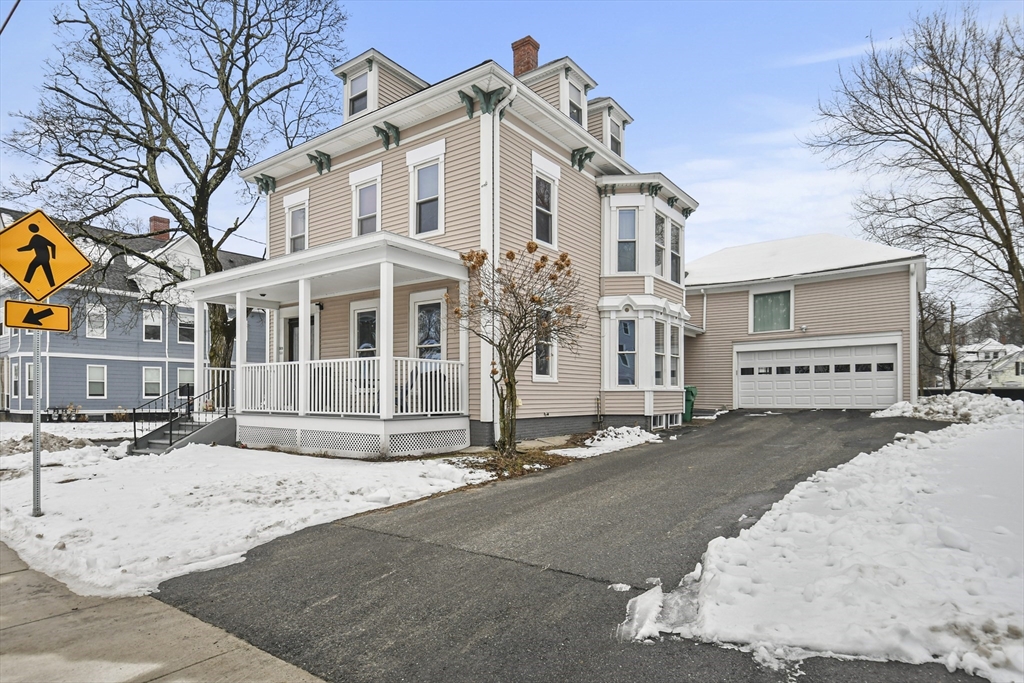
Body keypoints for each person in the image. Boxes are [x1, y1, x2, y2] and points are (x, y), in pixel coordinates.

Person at [18, 224, 57, 288]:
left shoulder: (36, 237)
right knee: (47, 271)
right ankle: (52, 284)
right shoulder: (38, 237)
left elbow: (30, 247)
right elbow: (53, 245)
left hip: (41, 257)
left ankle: (27, 282)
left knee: (32, 266)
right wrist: (52, 257)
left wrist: (18, 250)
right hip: (45, 257)